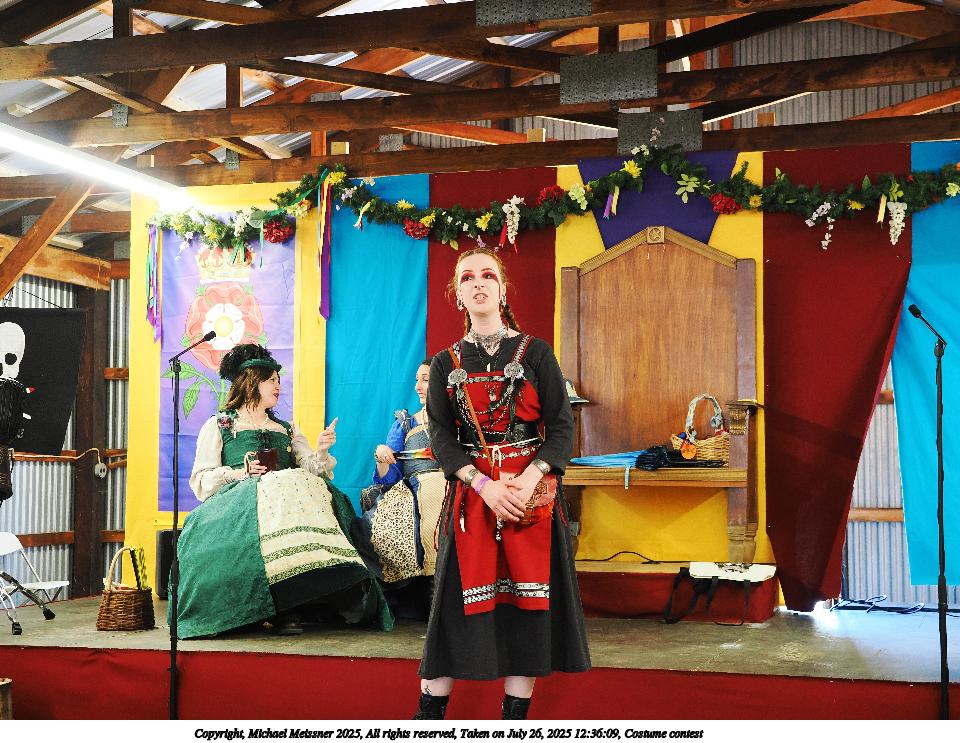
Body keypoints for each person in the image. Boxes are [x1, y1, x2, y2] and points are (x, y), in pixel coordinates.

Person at [414, 248, 591, 720]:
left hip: (530, 501)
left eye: (487, 275)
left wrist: (530, 478)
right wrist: (483, 485)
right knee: (453, 614)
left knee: (526, 616)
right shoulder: (444, 362)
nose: (478, 283)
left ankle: (513, 725)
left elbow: (561, 428)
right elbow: (441, 437)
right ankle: (427, 721)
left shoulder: (536, 353)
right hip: (473, 501)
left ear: (502, 289)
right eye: (467, 277)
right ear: (457, 294)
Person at [175, 343, 393, 639]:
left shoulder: (287, 428)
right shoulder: (220, 425)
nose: (278, 386)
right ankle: (270, 607)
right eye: (271, 380)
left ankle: (300, 599)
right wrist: (241, 472)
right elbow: (201, 478)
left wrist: (322, 450)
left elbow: (310, 468)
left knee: (301, 488)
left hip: (287, 500)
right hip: (239, 499)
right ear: (251, 381)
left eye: (279, 380)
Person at [354, 359, 445, 619]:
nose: (418, 386)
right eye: (417, 380)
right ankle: (433, 589)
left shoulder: (461, 422)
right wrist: (382, 457)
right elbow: (389, 480)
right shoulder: (406, 423)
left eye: (425, 379)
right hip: (414, 490)